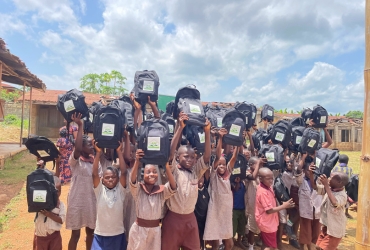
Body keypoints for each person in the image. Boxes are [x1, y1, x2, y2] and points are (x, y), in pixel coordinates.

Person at [161, 112, 211, 250]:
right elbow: (170, 154)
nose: (189, 159)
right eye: (185, 156)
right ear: (178, 157)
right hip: (173, 219)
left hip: (190, 218)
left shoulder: (196, 171)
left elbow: (207, 157)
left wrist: (207, 132)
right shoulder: (174, 171)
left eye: (192, 157)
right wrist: (180, 128)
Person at [127, 149, 177, 250]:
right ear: (143, 175)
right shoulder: (139, 190)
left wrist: (166, 167)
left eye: (154, 172)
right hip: (139, 230)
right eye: (148, 172)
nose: (151, 174)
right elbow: (132, 181)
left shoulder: (161, 191)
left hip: (155, 231)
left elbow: (173, 186)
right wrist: (137, 161)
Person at [203, 128, 239, 250]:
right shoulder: (213, 175)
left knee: (229, 240)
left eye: (224, 164)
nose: (222, 166)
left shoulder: (228, 172)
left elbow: (234, 158)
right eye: (219, 164)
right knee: (215, 241)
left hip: (227, 211)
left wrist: (238, 142)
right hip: (215, 210)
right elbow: (218, 157)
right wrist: (221, 138)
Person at [66, 113, 97, 250]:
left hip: (91, 201)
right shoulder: (76, 162)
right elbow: (77, 149)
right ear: (82, 146)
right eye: (89, 145)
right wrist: (80, 125)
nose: (91, 147)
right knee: (75, 234)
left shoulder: (94, 161)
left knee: (90, 232)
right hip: (77, 201)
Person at [91, 140, 127, 250]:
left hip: (117, 233)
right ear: (102, 180)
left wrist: (119, 152)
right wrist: (98, 153)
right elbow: (94, 174)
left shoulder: (121, 191)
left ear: (117, 179)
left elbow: (124, 173)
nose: (110, 179)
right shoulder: (99, 190)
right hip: (100, 234)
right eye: (107, 177)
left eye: (113, 177)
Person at [255, 168, 295, 250]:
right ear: (260, 179)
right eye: (268, 178)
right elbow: (269, 210)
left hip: (269, 222)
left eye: (272, 178)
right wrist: (284, 206)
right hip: (267, 223)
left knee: (267, 244)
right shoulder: (263, 192)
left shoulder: (267, 188)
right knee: (271, 246)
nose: (271, 180)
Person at [295, 156, 324, 250]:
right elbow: (298, 168)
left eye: (311, 170)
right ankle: (303, 245)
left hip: (317, 209)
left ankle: (312, 246)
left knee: (316, 230)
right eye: (307, 170)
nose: (309, 172)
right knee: (305, 230)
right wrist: (304, 155)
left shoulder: (319, 181)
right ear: (304, 171)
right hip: (306, 210)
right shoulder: (300, 180)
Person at [316, 172, 349, 250]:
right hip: (327, 226)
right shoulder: (331, 190)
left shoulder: (342, 195)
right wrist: (311, 174)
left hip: (335, 229)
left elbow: (335, 203)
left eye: (331, 178)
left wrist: (326, 185)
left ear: (339, 182)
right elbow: (315, 187)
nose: (328, 179)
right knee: (318, 247)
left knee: (325, 248)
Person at [33, 176, 65, 250]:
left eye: (59, 191)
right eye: (54, 191)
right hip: (40, 237)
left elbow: (61, 220)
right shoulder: (40, 201)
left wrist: (49, 214)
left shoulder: (60, 205)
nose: (56, 193)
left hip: (54, 237)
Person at [244, 156, 263, 250]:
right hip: (251, 203)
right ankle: (250, 246)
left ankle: (255, 241)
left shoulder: (261, 173)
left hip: (260, 204)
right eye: (257, 163)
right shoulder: (247, 172)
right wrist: (259, 163)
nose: (259, 165)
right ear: (251, 165)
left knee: (255, 225)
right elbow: (252, 177)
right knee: (251, 226)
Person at [195, 172, 210, 250]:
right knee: (196, 236)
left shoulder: (207, 189)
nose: (200, 179)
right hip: (195, 219)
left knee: (203, 235)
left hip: (205, 219)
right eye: (198, 177)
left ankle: (203, 247)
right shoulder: (193, 191)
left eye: (202, 177)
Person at [231, 176, 247, 250]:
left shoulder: (243, 183)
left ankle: (239, 241)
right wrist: (237, 182)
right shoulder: (232, 183)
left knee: (241, 226)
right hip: (234, 209)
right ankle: (231, 242)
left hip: (242, 208)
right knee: (233, 227)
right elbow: (236, 189)